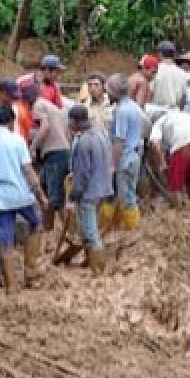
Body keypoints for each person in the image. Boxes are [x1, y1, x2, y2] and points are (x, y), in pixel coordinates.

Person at [0, 105, 48, 292]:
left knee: (5, 241)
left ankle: (10, 284)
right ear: (11, 121)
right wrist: (41, 196)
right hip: (20, 194)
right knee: (36, 225)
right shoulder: (17, 140)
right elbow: (28, 170)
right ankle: (31, 271)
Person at [67, 105, 111, 274]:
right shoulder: (101, 135)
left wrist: (75, 193)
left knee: (91, 232)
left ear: (75, 122)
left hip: (89, 191)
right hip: (103, 188)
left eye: (70, 121)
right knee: (88, 227)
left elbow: (83, 172)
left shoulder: (83, 142)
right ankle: (90, 262)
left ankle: (99, 270)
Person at [30, 78, 72, 229]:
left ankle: (67, 232)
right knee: (45, 191)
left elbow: (45, 127)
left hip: (55, 154)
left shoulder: (38, 105)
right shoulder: (52, 107)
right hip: (60, 152)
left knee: (56, 197)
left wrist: (33, 147)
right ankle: (48, 231)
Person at [149, 105, 190, 208]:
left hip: (182, 140)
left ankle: (179, 212)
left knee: (175, 182)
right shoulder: (185, 115)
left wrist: (162, 165)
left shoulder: (159, 122)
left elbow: (154, 144)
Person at [106, 74, 144, 231]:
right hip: (133, 155)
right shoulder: (133, 106)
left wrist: (112, 165)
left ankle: (133, 230)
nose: (107, 94)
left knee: (127, 197)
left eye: (108, 90)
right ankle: (113, 228)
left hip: (125, 159)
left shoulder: (122, 111)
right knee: (117, 195)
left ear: (114, 92)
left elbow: (119, 141)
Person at [151, 41, 188, 109]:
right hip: (175, 111)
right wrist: (180, 110)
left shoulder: (155, 70)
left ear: (160, 54)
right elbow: (184, 97)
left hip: (157, 110)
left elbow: (150, 92)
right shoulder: (182, 73)